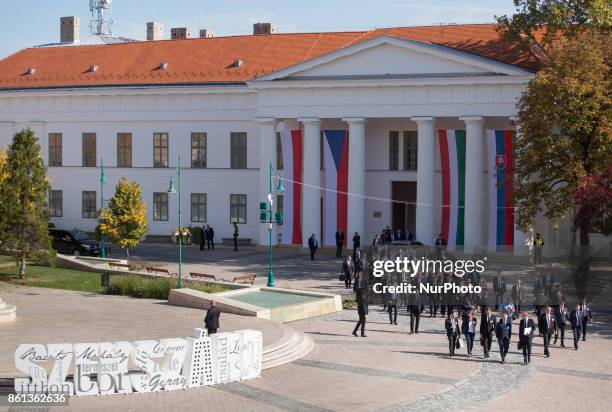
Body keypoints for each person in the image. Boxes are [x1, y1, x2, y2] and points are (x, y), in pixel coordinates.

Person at [352, 272, 368, 337]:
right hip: (361, 303)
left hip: (362, 302)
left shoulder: (364, 280)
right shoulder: (357, 280)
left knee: (362, 319)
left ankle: (356, 332)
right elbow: (354, 289)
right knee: (363, 319)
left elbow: (366, 289)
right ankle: (361, 333)